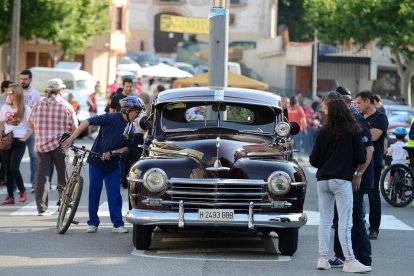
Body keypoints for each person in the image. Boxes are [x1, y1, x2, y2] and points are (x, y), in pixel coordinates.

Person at [62, 96, 144, 233]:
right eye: (137, 111)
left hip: (113, 165)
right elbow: (87, 122)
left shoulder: (131, 127)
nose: (138, 115)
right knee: (94, 192)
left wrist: (113, 152)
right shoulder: (111, 118)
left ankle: (117, 224)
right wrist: (72, 137)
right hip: (96, 162)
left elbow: (127, 148)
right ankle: (93, 223)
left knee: (115, 195)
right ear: (128, 110)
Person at [310, 91, 371, 273]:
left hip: (323, 180)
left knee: (325, 220)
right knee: (345, 222)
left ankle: (322, 258)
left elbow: (313, 160)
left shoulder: (323, 131)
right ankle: (350, 260)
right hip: (342, 180)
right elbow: (361, 156)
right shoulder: (353, 131)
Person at [330, 85, 374, 268]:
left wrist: (358, 174)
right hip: (348, 176)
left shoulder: (354, 118)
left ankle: (363, 258)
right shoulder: (345, 118)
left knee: (354, 217)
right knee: (342, 216)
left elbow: (368, 149)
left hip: (357, 177)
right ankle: (341, 255)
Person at [28, 79, 78, 216]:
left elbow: (30, 125)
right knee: (63, 175)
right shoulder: (66, 106)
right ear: (61, 90)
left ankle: (42, 209)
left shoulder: (37, 105)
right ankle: (64, 204)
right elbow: (75, 128)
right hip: (60, 145)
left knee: (42, 177)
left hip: (41, 145)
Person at [355, 90, 389, 240]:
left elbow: (374, 136)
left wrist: (359, 131)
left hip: (373, 162)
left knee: (373, 195)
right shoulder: (358, 117)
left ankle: (374, 228)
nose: (357, 105)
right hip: (357, 161)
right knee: (355, 194)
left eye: (359, 102)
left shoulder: (381, 118)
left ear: (368, 101)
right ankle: (355, 223)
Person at [0, 84, 33, 205]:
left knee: (14, 167)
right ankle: (10, 196)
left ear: (17, 94)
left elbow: (31, 127)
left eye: (11, 92)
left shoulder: (26, 109)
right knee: (7, 170)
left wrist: (24, 138)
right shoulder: (5, 108)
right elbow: (0, 123)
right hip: (6, 140)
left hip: (19, 140)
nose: (9, 95)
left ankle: (22, 190)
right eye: (8, 93)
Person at [19, 69, 41, 193]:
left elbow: (38, 111)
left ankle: (34, 184)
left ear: (30, 80)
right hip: (17, 130)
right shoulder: (15, 91)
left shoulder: (36, 94)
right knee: (15, 160)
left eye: (25, 79)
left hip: (31, 130)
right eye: (21, 79)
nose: (23, 81)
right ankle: (15, 185)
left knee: (33, 157)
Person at [0, 80, 12, 186]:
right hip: (1, 129)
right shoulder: (1, 99)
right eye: (10, 87)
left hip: (7, 132)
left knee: (4, 156)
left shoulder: (11, 100)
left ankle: (3, 177)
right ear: (5, 88)